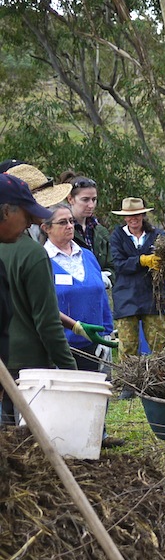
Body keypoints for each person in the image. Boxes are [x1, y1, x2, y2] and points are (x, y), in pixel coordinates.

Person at [0, 172, 76, 424]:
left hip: (8, 361)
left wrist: (75, 326)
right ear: (6, 211)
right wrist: (70, 371)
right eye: (27, 214)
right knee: (26, 439)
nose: (31, 222)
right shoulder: (33, 255)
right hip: (28, 366)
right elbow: (46, 322)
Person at [40, 204, 114, 373]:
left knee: (97, 398)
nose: (70, 226)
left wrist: (107, 335)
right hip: (61, 349)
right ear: (46, 228)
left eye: (71, 221)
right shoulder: (42, 261)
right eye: (63, 222)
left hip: (95, 345)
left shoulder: (87, 255)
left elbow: (101, 297)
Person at [109, 197, 165, 360]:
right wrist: (142, 260)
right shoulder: (117, 236)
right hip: (126, 297)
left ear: (143, 215)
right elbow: (118, 264)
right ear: (124, 217)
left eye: (137, 214)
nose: (133, 218)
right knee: (128, 346)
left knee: (161, 344)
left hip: (154, 296)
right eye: (129, 215)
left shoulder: (158, 235)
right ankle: (128, 383)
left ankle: (164, 382)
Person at [61, 172, 114, 286]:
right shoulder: (60, 229)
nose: (91, 205)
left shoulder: (101, 232)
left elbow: (112, 265)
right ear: (70, 199)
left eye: (94, 199)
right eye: (85, 199)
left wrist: (108, 278)